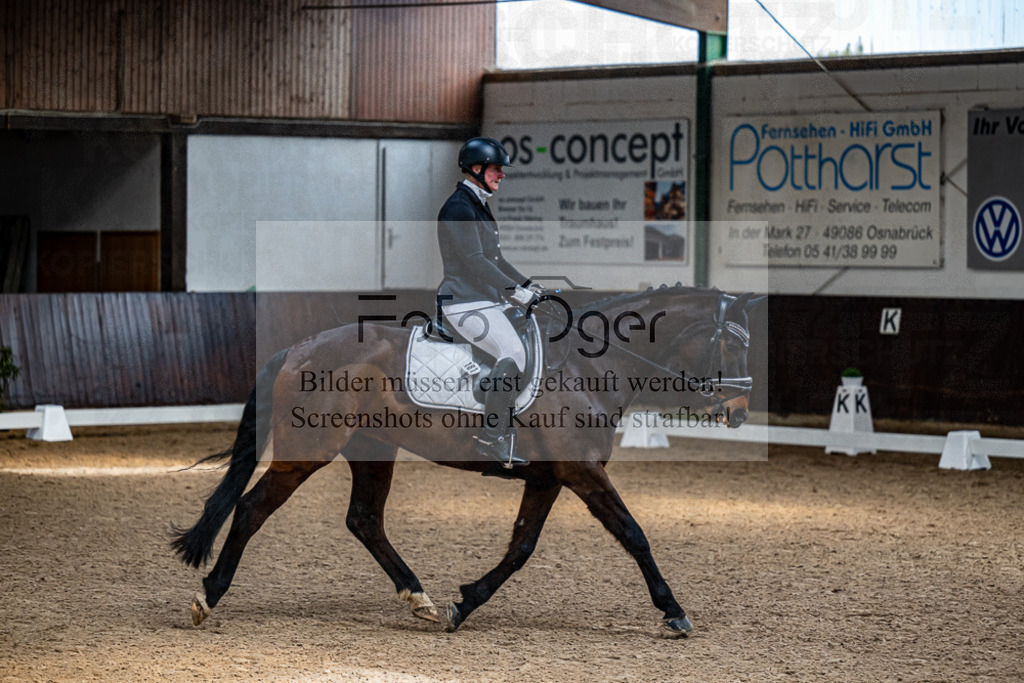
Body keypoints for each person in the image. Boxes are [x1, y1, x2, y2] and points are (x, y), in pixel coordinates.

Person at [436, 137, 541, 468]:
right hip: (464, 302)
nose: (502, 176)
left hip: (483, 300)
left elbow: (496, 258)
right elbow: (474, 260)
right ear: (477, 169)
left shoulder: (477, 203)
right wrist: (514, 290)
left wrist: (527, 285)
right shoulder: (459, 207)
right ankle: (491, 438)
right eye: (497, 169)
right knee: (513, 353)